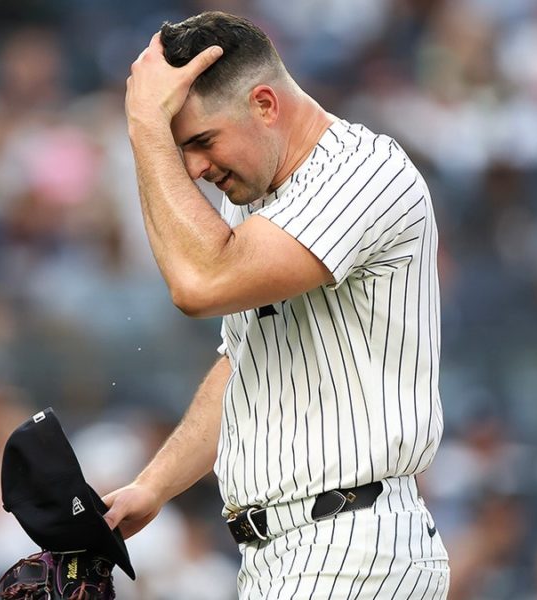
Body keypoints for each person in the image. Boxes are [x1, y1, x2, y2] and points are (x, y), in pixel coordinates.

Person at [103, 11, 448, 599]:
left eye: (201, 141)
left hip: (352, 547)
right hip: (289, 555)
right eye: (181, 148)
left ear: (265, 104)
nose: (195, 168)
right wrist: (153, 486)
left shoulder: (361, 173)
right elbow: (245, 364)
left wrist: (144, 126)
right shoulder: (256, 198)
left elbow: (198, 286)